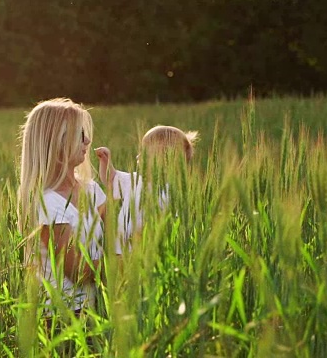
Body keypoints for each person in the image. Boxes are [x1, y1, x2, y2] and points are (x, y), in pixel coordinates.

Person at [18, 98, 106, 316]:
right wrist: (129, 261)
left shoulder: (92, 189)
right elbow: (78, 271)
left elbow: (120, 231)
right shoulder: (47, 204)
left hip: (99, 309)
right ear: (56, 140)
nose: (88, 141)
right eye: (80, 135)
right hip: (66, 318)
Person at [95, 125, 199, 254]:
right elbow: (110, 180)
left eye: (145, 152)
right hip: (120, 252)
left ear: (165, 160)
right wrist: (106, 161)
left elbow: (167, 226)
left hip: (146, 253)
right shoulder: (134, 181)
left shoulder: (169, 194)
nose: (138, 156)